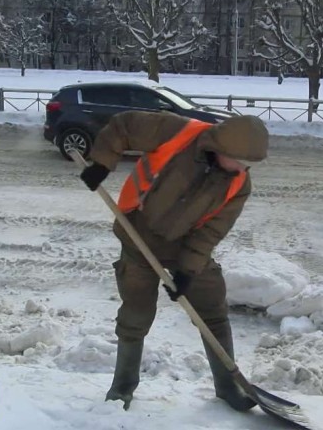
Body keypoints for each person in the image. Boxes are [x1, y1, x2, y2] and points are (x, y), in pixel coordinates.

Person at [79, 110, 269, 412]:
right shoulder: (177, 131)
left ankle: (228, 386)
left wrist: (187, 271)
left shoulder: (238, 184)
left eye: (248, 164)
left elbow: (210, 232)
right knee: (136, 313)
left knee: (212, 310)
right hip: (137, 234)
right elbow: (124, 126)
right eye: (239, 161)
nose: (242, 169)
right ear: (221, 147)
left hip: (184, 245)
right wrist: (102, 162)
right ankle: (122, 388)